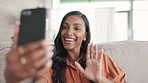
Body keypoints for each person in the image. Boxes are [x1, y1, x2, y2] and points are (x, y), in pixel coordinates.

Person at [5, 11, 126, 83]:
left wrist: (100, 79)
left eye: (77, 28)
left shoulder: (99, 58)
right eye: (65, 27)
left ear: (85, 35)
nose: (68, 32)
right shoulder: (52, 61)